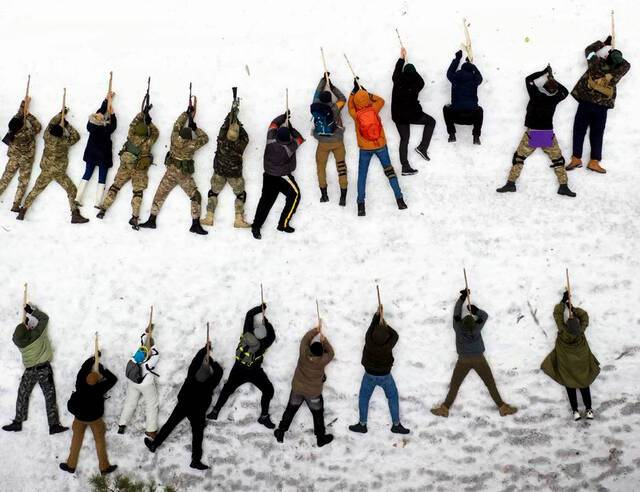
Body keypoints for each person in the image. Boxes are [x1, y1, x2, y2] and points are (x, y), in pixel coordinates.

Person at [431, 289, 517, 418]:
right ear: (474, 323)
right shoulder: (477, 327)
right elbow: (485, 316)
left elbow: (456, 312)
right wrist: (476, 311)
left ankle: (445, 408)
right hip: (479, 360)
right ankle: (502, 407)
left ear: (462, 323)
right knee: (490, 384)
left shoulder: (458, 328)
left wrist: (462, 297)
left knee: (455, 385)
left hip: (463, 361)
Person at [496, 65, 576, 197]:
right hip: (547, 135)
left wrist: (544, 72)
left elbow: (529, 79)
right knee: (557, 161)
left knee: (519, 158)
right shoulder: (554, 99)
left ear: (544, 87)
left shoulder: (535, 94)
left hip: (532, 134)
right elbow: (565, 91)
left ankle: (511, 184)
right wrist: (553, 78)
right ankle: (563, 186)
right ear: (554, 91)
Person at [144, 344, 222, 470]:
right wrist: (212, 362)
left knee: (170, 424)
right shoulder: (209, 383)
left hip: (184, 404)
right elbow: (219, 372)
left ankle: (154, 445)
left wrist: (204, 350)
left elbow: (195, 361)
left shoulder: (191, 375)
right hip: (198, 411)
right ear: (208, 376)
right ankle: (195, 461)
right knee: (197, 435)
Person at [139, 101, 209, 235]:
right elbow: (205, 138)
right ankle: (195, 224)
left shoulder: (174, 139)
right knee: (195, 196)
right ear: (189, 138)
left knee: (160, 194)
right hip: (184, 175)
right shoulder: (192, 145)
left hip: (170, 172)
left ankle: (151, 220)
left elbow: (177, 125)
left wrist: (186, 113)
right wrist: (195, 128)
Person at [566, 36, 630, 174]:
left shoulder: (596, 63)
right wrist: (617, 58)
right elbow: (627, 65)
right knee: (597, 133)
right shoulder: (617, 72)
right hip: (602, 107)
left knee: (579, 130)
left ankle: (576, 158)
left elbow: (589, 50)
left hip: (586, 102)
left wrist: (604, 43)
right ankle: (594, 162)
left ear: (607, 58)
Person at [207, 304, 276, 428]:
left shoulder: (246, 333)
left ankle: (215, 411)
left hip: (238, 368)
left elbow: (249, 314)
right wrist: (267, 324)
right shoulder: (262, 345)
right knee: (268, 390)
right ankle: (264, 416)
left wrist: (260, 308)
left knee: (227, 389)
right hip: (255, 372)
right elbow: (272, 336)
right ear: (262, 337)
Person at [2, 304, 67, 435]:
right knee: (49, 396)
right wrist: (31, 312)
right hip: (44, 370)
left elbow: (23, 334)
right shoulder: (38, 334)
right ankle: (54, 425)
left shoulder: (18, 341)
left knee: (22, 394)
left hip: (30, 370)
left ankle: (17, 422)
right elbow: (44, 319)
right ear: (27, 332)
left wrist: (26, 326)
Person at [17, 111, 89, 223]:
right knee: (72, 190)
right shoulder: (64, 142)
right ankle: (75, 214)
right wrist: (66, 124)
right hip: (59, 172)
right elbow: (76, 136)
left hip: (46, 170)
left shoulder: (47, 137)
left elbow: (51, 123)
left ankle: (23, 210)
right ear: (61, 134)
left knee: (35, 190)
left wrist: (60, 114)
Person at [348, 79, 407, 217]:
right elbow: (381, 100)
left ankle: (361, 205)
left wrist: (353, 92)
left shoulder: (356, 115)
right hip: (380, 145)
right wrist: (367, 93)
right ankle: (400, 200)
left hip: (364, 149)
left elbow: (349, 106)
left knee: (362, 176)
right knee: (390, 172)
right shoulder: (374, 108)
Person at [349, 306, 409, 435]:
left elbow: (371, 327)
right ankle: (396, 425)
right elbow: (395, 335)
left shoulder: (368, 339)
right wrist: (385, 324)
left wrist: (377, 316)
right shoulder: (388, 345)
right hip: (385, 376)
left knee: (364, 397)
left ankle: (362, 424)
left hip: (369, 374)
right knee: (392, 396)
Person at [97, 106, 159, 230]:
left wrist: (142, 114)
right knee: (137, 193)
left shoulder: (131, 135)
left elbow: (133, 124)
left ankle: (103, 209)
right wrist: (149, 121)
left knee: (115, 187)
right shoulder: (147, 143)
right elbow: (156, 133)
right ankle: (135, 217)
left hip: (125, 167)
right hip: (139, 171)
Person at [541, 291, 600, 421]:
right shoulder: (581, 332)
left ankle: (575, 411)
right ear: (579, 327)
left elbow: (557, 314)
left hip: (567, 367)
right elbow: (584, 316)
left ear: (567, 326)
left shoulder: (562, 332)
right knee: (584, 385)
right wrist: (572, 307)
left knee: (570, 385)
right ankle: (589, 409)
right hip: (582, 367)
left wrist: (563, 302)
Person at [274, 325, 334, 447]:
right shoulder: (323, 360)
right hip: (313, 394)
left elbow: (305, 340)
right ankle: (320, 438)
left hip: (297, 389)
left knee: (290, 410)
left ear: (310, 349)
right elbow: (331, 353)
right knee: (317, 415)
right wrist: (324, 340)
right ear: (321, 353)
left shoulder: (303, 353)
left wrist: (315, 331)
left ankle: (281, 431)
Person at [59, 355, 118, 475]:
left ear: (86, 378)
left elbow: (82, 369)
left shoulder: (80, 383)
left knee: (76, 440)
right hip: (95, 420)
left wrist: (93, 359)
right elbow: (113, 379)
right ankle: (104, 467)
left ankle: (70, 465)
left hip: (79, 418)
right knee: (99, 441)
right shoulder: (100, 388)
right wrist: (102, 370)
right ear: (98, 381)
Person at [201, 90, 251, 228]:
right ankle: (239, 219)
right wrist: (237, 122)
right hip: (235, 175)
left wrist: (231, 115)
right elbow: (245, 136)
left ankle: (209, 217)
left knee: (213, 192)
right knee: (240, 194)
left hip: (219, 172)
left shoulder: (221, 140)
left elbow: (224, 126)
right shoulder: (241, 144)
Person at [251, 112, 304, 240]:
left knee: (265, 201)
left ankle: (256, 226)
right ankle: (283, 224)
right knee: (295, 195)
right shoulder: (289, 148)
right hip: (282, 177)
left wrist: (284, 116)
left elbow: (274, 123)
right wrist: (291, 128)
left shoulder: (270, 137)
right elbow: (300, 139)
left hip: (268, 175)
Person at [391, 47, 435, 174]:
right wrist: (413, 71)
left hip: (398, 116)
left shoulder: (397, 79)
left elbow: (397, 70)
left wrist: (402, 58)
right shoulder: (417, 84)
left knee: (404, 139)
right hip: (412, 115)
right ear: (415, 74)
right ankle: (423, 147)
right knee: (431, 122)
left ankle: (405, 167)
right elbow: (422, 81)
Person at [311, 74, 348, 205]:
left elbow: (316, 92)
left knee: (321, 168)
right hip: (338, 142)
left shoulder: (315, 105)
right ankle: (343, 196)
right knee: (341, 167)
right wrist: (331, 86)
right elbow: (343, 98)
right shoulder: (335, 107)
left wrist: (322, 80)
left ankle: (324, 195)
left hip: (322, 143)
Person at [0, 98, 41, 212]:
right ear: (21, 126)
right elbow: (38, 127)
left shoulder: (12, 129)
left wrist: (24, 105)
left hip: (14, 157)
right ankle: (16, 204)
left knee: (5, 179)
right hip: (25, 160)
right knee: (23, 182)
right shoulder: (26, 134)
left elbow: (18, 116)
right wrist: (29, 116)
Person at [76, 95, 117, 207]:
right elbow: (113, 126)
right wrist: (112, 114)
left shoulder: (91, 125)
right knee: (102, 178)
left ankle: (77, 198)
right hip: (103, 155)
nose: (100, 113)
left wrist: (106, 100)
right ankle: (98, 203)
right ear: (100, 120)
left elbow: (100, 110)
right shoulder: (106, 129)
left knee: (87, 174)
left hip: (91, 154)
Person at [117, 330, 160, 438]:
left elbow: (141, 343)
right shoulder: (149, 363)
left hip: (133, 382)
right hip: (146, 385)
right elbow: (156, 354)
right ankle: (151, 430)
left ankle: (122, 424)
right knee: (151, 405)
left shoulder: (134, 357)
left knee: (130, 403)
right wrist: (152, 345)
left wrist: (146, 333)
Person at [443, 50, 483, 144]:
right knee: (480, 110)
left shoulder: (455, 77)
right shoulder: (474, 79)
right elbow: (479, 76)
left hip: (456, 116)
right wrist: (472, 65)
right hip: (471, 117)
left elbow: (449, 72)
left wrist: (457, 58)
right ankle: (476, 136)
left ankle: (452, 134)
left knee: (445, 108)